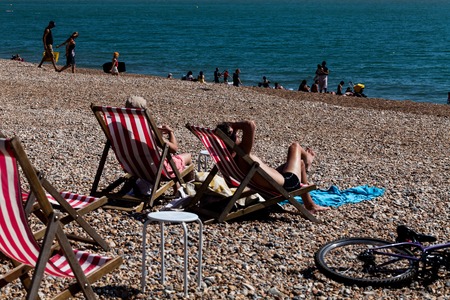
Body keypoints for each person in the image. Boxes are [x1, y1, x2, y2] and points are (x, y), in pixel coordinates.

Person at [216, 120, 329, 214]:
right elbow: (250, 124)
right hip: (288, 184)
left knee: (300, 164)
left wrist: (231, 131)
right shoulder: (242, 152)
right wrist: (233, 125)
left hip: (269, 184)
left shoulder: (230, 157)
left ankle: (310, 205)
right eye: (235, 134)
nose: (238, 135)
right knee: (295, 147)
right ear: (233, 137)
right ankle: (308, 159)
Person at [124, 96, 193, 191]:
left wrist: (157, 133)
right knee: (187, 156)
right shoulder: (147, 132)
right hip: (155, 171)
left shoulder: (118, 129)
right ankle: (189, 192)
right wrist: (170, 132)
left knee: (166, 159)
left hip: (134, 168)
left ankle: (177, 186)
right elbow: (174, 149)